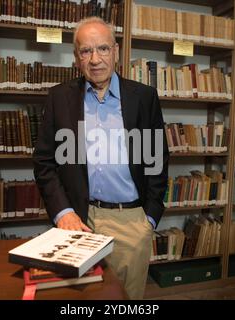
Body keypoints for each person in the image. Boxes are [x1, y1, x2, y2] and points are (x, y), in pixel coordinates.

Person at [33, 16, 169, 299]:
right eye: (86, 51)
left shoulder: (144, 97)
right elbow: (45, 163)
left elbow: (157, 159)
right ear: (76, 58)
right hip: (79, 220)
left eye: (103, 49)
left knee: (126, 300)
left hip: (131, 221)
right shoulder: (60, 98)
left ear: (116, 51)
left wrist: (150, 219)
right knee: (82, 298)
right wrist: (63, 212)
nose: (95, 59)